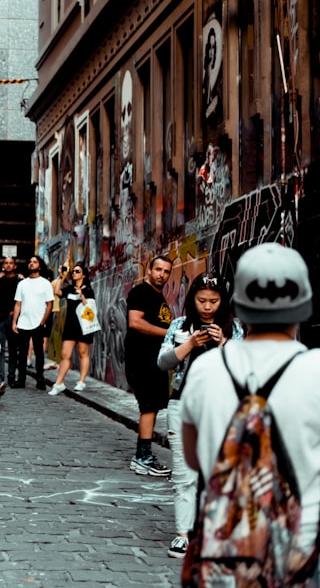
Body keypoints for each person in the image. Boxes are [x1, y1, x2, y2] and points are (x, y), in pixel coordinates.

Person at [182, 243, 319, 581]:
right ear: (303, 305)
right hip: (301, 552)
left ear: (238, 306)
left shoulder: (206, 369)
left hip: (225, 551)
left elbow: (195, 459)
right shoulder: (316, 370)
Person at [157, 273, 242, 559]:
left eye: (214, 301)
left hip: (221, 408)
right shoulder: (180, 326)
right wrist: (190, 344)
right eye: (202, 300)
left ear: (223, 302)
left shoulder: (235, 329)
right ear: (192, 299)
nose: (207, 307)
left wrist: (223, 344)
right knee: (183, 474)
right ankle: (183, 534)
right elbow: (163, 362)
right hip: (182, 405)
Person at [125, 254, 173, 477]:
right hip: (141, 359)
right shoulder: (140, 292)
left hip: (154, 361)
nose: (162, 275)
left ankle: (141, 456)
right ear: (149, 271)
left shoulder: (159, 297)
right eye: (158, 270)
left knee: (151, 406)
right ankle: (143, 457)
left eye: (166, 271)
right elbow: (135, 322)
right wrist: (168, 333)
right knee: (149, 406)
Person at [49, 262, 97, 395]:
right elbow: (57, 292)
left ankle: (81, 381)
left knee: (83, 352)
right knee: (65, 354)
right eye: (73, 271)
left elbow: (89, 306)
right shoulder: (69, 288)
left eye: (77, 271)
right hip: (70, 326)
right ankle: (59, 383)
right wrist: (61, 277)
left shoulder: (88, 290)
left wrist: (81, 294)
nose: (74, 273)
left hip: (83, 326)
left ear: (83, 274)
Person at [11, 255, 54, 389]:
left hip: (38, 324)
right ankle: (21, 380)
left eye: (34, 262)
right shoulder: (22, 283)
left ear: (39, 266)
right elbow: (18, 304)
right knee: (22, 354)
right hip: (23, 323)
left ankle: (40, 379)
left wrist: (42, 322)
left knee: (39, 354)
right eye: (30, 261)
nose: (31, 264)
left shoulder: (45, 283)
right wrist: (14, 322)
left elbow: (50, 305)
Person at [0, 256, 20, 384]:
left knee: (13, 349)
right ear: (3, 265)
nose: (8, 265)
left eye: (11, 263)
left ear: (15, 266)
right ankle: (0, 376)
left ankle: (11, 376)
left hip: (13, 319)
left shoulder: (19, 282)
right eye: (6, 263)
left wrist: (15, 313)